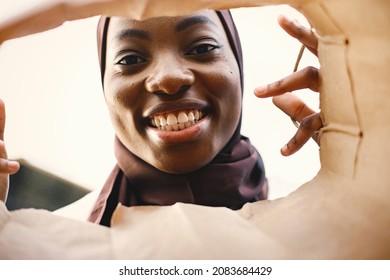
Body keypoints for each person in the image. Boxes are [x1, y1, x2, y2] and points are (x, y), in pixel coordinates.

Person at [0, 9, 321, 227]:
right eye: (131, 58)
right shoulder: (56, 249)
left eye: (201, 48)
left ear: (238, 64)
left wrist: (367, 173)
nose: (168, 79)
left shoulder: (325, 220)